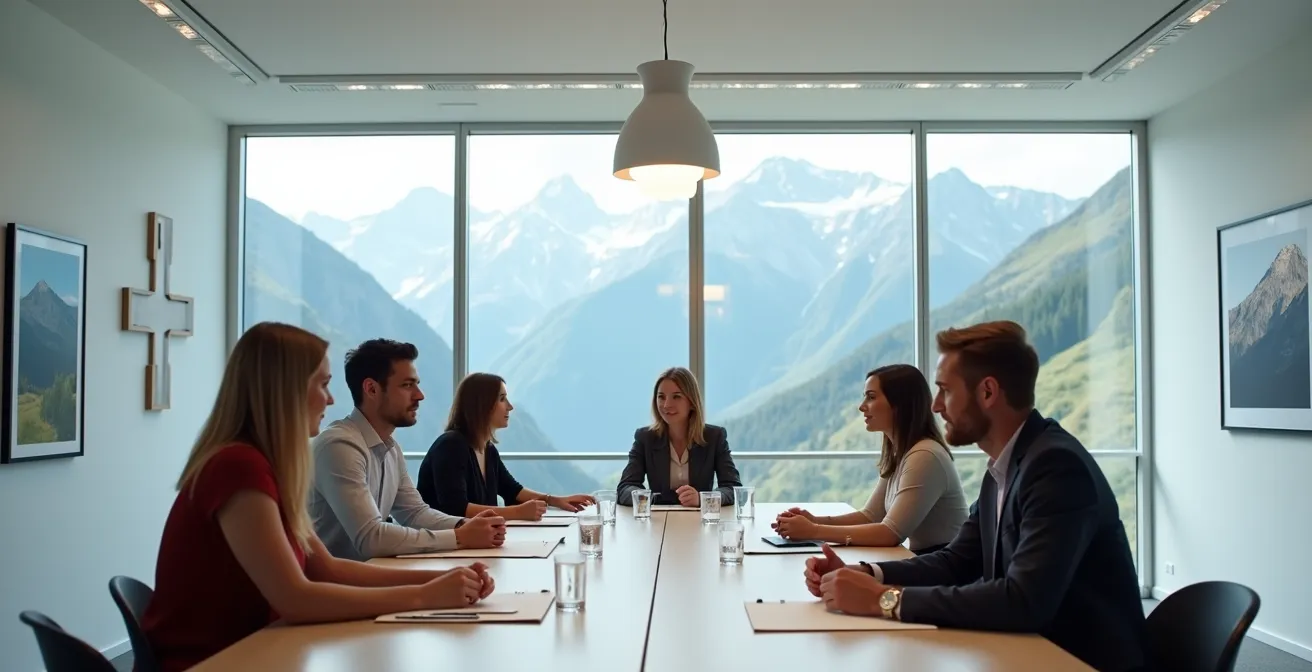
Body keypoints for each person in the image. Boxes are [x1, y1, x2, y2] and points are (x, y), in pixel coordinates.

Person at [141, 322, 495, 672]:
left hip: (261, 646)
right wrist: (424, 596)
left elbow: (326, 568)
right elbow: (295, 598)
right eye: (323, 385)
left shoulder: (267, 466)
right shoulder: (238, 467)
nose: (331, 398)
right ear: (285, 390)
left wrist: (447, 576)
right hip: (219, 659)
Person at [802, 321, 1145, 672]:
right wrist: (865, 574)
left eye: (945, 391)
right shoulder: (1005, 467)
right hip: (1026, 653)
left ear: (987, 392)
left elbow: (1023, 600)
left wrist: (884, 600)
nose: (935, 406)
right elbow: (955, 561)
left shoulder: (1056, 467)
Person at [308, 338, 505, 561]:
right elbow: (370, 538)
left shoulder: (390, 449)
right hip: (339, 587)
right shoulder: (340, 446)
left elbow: (414, 513)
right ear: (371, 389)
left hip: (373, 576)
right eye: (407, 385)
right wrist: (459, 536)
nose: (419, 395)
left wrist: (468, 525)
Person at [773, 363, 968, 554]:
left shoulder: (925, 456)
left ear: (899, 405)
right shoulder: (903, 453)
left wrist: (814, 531)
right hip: (928, 562)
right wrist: (814, 521)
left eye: (871, 397)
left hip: (947, 573)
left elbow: (890, 533)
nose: (861, 407)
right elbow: (871, 516)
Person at [418, 373, 595, 520]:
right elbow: (455, 508)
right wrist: (518, 512)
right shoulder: (451, 446)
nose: (510, 407)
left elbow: (513, 490)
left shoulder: (488, 449)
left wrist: (556, 500)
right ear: (482, 405)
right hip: (442, 545)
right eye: (502, 399)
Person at [617, 366, 742, 507]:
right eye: (661, 397)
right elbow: (625, 489)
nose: (666, 405)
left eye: (676, 396)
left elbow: (732, 488)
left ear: (692, 403)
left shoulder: (714, 437)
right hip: (658, 523)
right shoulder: (645, 438)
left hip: (700, 522)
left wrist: (702, 499)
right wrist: (649, 499)